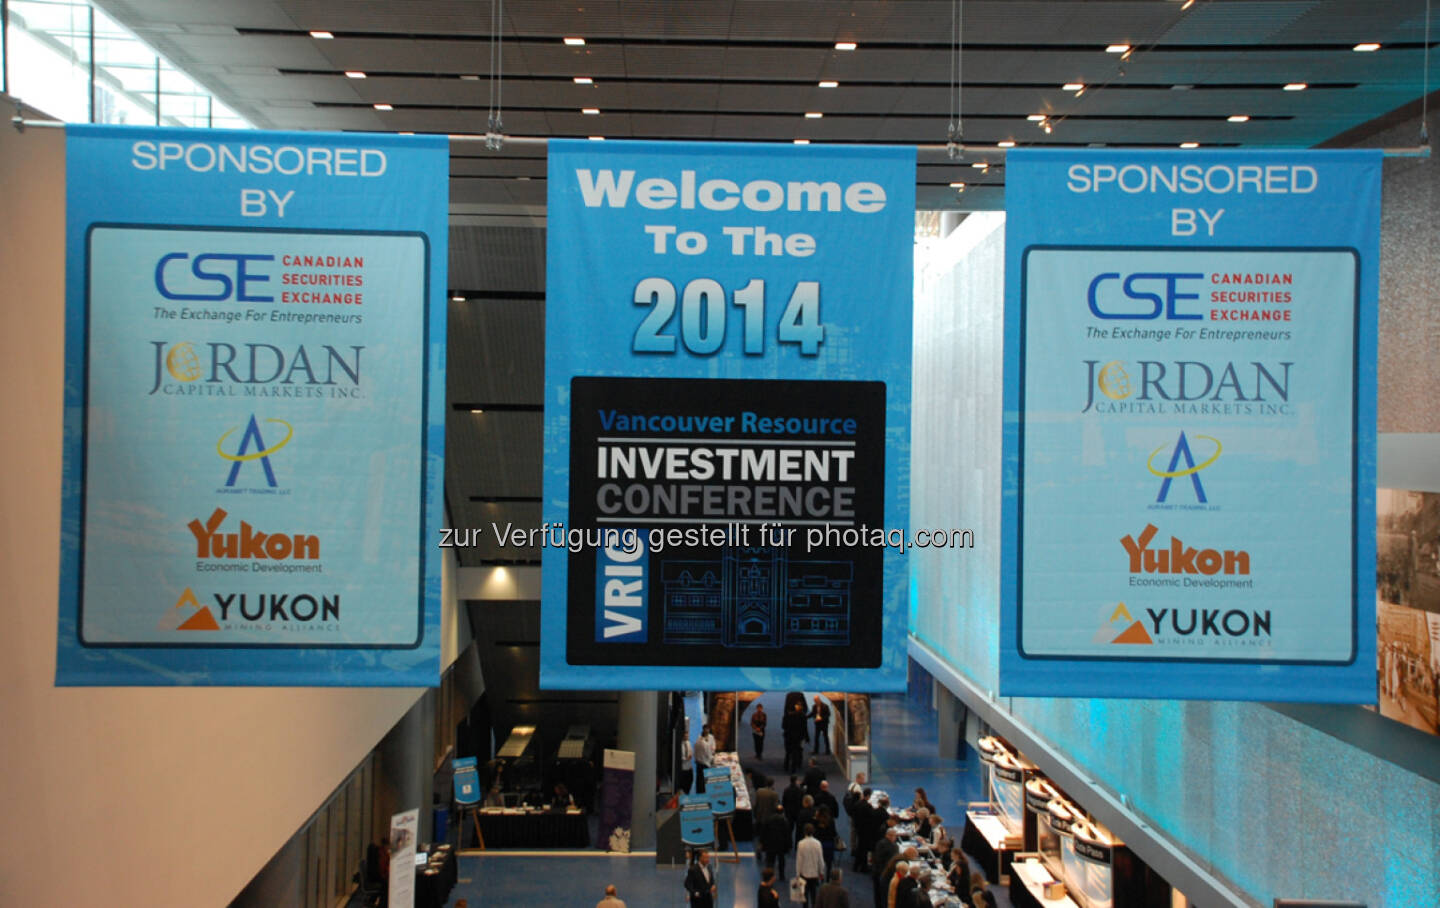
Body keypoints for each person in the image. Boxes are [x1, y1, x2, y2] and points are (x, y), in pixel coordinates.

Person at [796, 823, 825, 908]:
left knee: (804, 895)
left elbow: (799, 861)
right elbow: (820, 860)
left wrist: (798, 874)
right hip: (814, 873)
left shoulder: (801, 844)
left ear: (804, 832)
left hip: (804, 873)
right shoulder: (818, 843)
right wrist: (821, 872)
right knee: (814, 894)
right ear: (813, 832)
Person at [761, 807, 792, 880]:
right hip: (781, 844)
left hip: (770, 843)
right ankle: (781, 875)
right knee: (781, 860)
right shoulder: (785, 820)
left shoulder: (768, 819)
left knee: (770, 861)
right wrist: (789, 845)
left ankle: (769, 876)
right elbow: (788, 834)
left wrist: (762, 842)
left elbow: (764, 832)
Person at [782, 702, 807, 773]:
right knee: (796, 752)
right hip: (798, 737)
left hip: (788, 736)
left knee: (788, 752)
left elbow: (783, 726)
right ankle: (794, 768)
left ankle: (786, 766)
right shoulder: (802, 716)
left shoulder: (787, 716)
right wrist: (805, 737)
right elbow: (804, 728)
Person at [694, 725, 715, 794]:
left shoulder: (701, 739)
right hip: (704, 763)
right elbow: (708, 753)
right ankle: (703, 794)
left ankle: (699, 793)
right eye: (706, 729)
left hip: (699, 762)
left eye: (708, 729)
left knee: (699, 780)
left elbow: (713, 746)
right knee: (703, 781)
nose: (707, 730)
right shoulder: (702, 742)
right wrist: (712, 759)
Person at [781, 775, 804, 839]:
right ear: (796, 781)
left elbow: (784, 801)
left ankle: (789, 842)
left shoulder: (786, 790)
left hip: (789, 812)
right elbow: (802, 801)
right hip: (798, 812)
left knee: (789, 829)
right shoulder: (801, 790)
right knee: (798, 829)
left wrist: (785, 809)